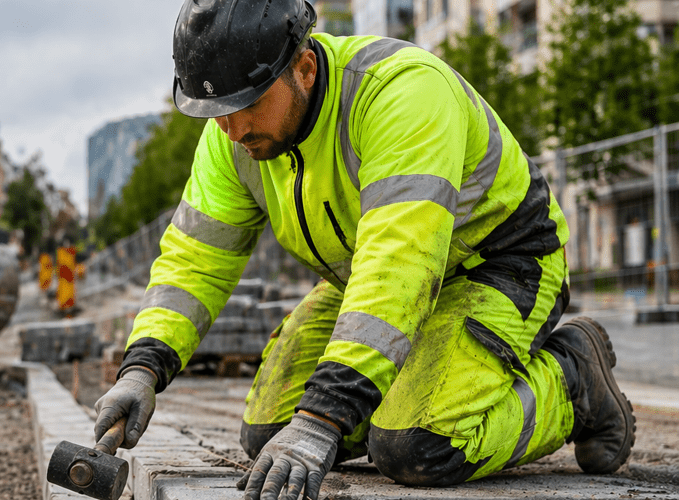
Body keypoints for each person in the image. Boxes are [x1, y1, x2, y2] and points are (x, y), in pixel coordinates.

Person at [92, 1, 636, 499]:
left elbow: (400, 259)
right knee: (269, 437)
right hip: (372, 279)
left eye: (247, 104)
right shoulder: (231, 138)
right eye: (215, 110)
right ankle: (416, 383)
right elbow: (196, 260)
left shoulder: (401, 92)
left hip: (499, 264)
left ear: (304, 68)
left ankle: (571, 378)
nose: (231, 129)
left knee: (415, 445)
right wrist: (142, 369)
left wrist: (323, 419)